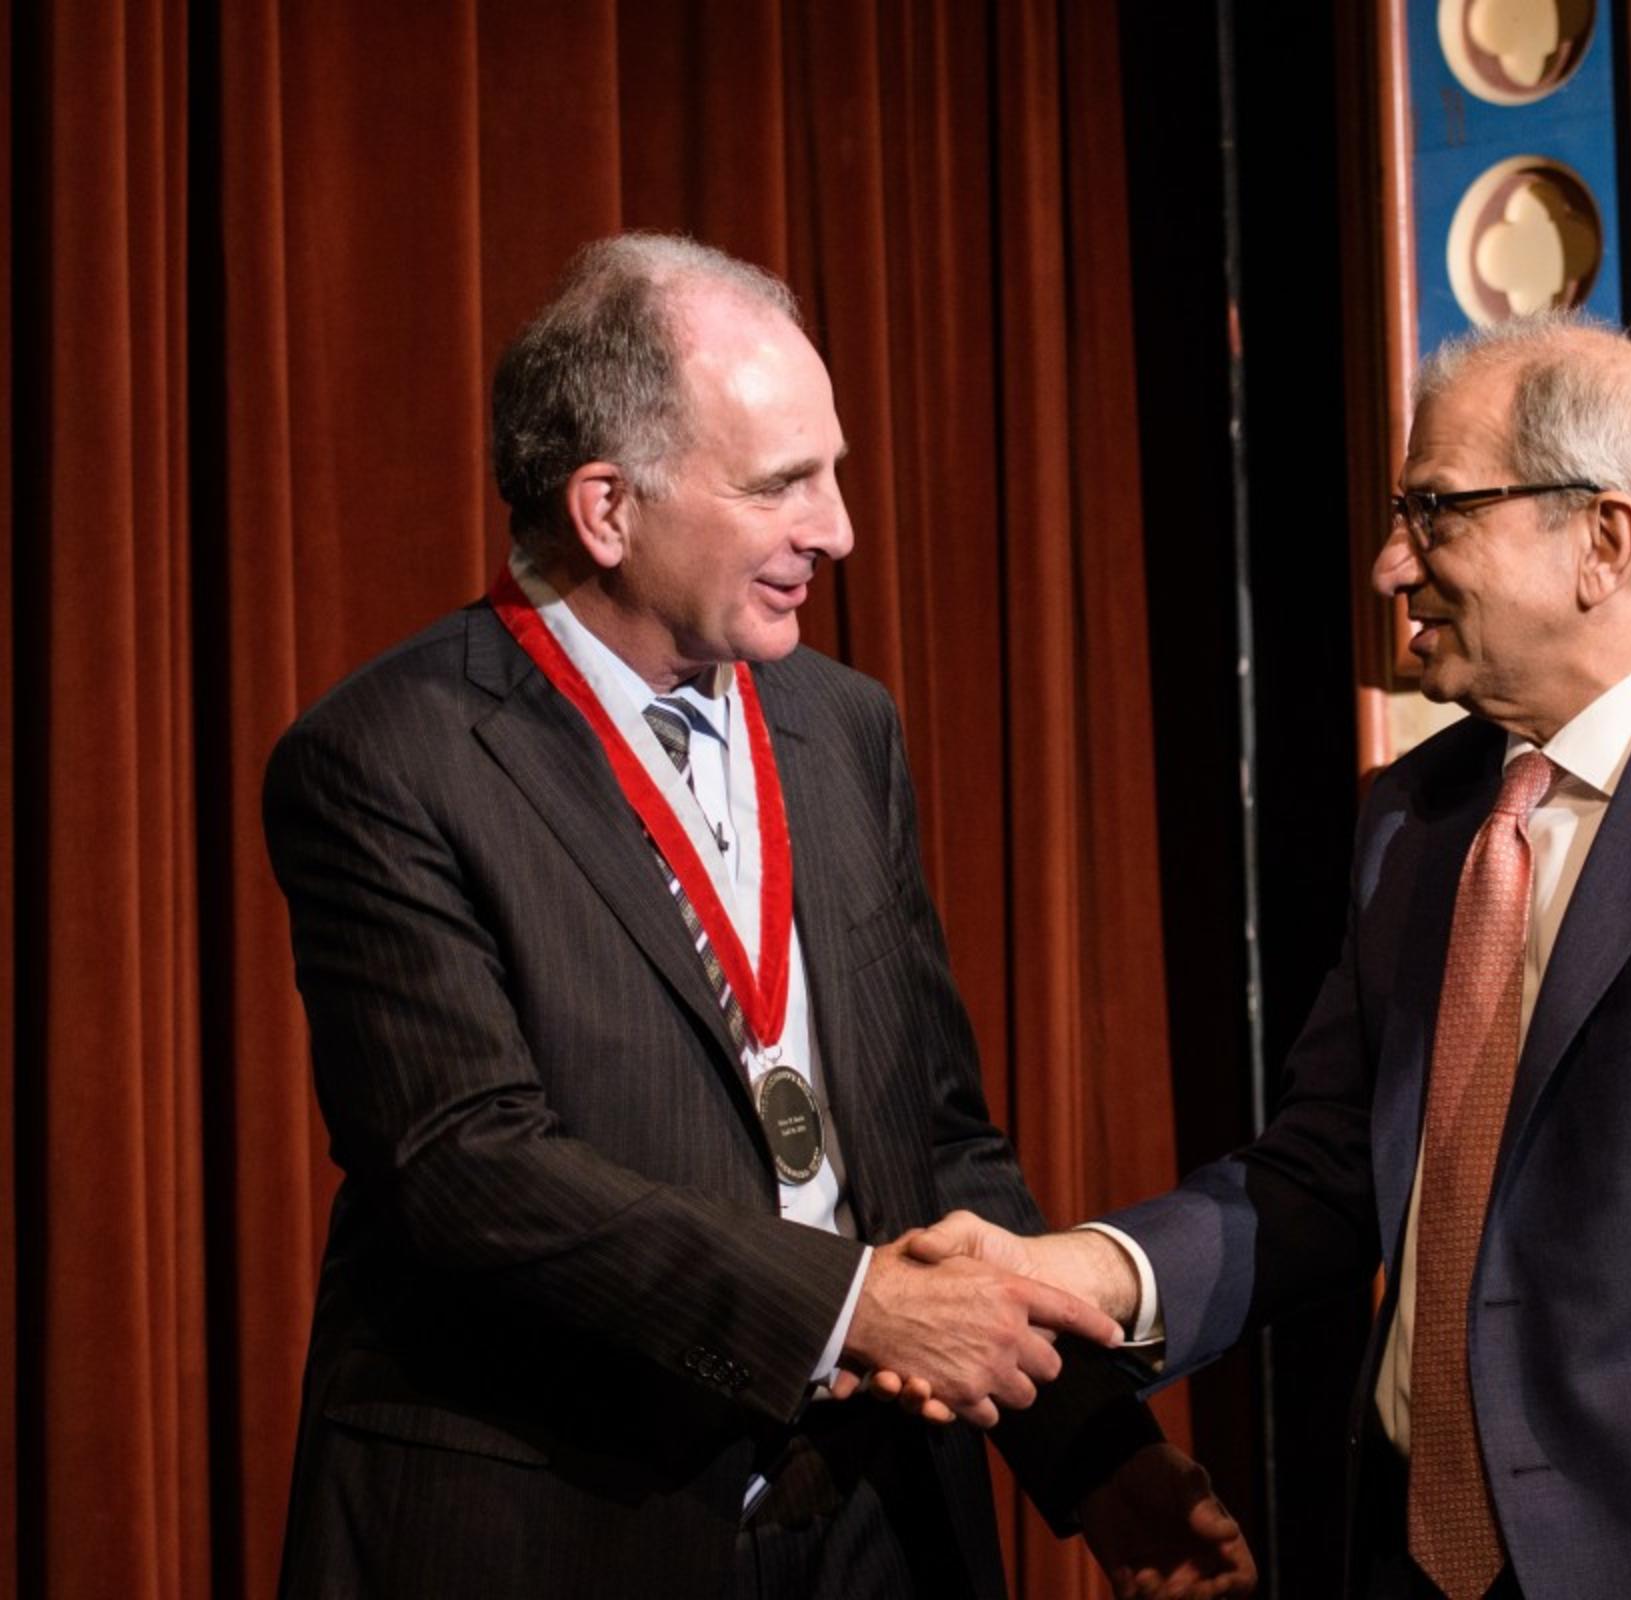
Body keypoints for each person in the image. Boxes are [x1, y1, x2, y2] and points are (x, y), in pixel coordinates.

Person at [906, 315, 1631, 1599]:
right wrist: (1083, 1271)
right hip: (1417, 1559)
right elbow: (1326, 1173)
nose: (1392, 562)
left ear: (1603, 539)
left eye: (1436, 512)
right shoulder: (1416, 817)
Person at [262, 233, 1254, 1600]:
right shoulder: (390, 756)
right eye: (784, 483)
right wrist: (854, 1311)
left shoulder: (843, 726)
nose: (837, 529)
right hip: (564, 1521)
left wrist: (1093, 1451)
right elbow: (467, 1167)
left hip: (873, 1521)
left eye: (831, 473)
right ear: (608, 509)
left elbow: (933, 1138)